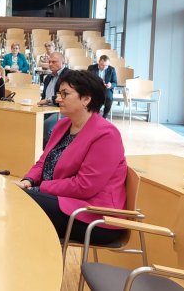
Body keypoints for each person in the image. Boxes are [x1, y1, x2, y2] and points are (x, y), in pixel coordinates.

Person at [16, 71, 127, 244]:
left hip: (96, 216)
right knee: (16, 197)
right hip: (65, 201)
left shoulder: (107, 135)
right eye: (59, 93)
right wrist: (28, 181)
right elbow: (43, 162)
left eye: (65, 94)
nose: (58, 99)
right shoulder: (63, 125)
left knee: (20, 201)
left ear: (86, 99)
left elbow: (85, 186)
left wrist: (40, 188)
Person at [39, 52, 70, 146]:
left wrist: (48, 100)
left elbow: (64, 95)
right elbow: (43, 96)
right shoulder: (48, 77)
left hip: (62, 109)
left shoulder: (69, 75)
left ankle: (50, 152)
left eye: (54, 62)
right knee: (32, 122)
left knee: (46, 126)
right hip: (47, 108)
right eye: (49, 62)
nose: (51, 64)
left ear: (63, 62)